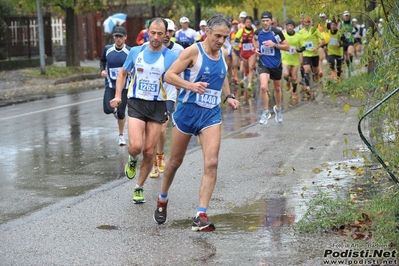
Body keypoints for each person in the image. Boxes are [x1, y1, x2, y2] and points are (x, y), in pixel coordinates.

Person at [153, 14, 240, 231]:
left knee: (212, 162)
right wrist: (190, 86)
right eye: (217, 35)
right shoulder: (193, 51)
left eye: (224, 36)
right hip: (187, 113)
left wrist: (228, 96)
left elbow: (223, 76)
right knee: (175, 161)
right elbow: (169, 75)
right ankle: (162, 198)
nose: (221, 40)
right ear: (207, 32)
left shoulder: (224, 53)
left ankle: (200, 214)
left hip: (210, 115)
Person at [110, 18, 178, 204]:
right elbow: (123, 73)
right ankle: (132, 159)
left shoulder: (171, 57)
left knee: (149, 151)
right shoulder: (135, 52)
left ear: (166, 34)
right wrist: (118, 95)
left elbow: (179, 78)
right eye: (153, 33)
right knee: (136, 147)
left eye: (160, 34)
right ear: (147, 31)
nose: (155, 37)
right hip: (137, 102)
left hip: (158, 106)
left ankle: (139, 186)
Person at [149, 19, 184, 178]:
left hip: (169, 93)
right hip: (152, 94)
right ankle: (155, 161)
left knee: (162, 128)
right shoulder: (150, 48)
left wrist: (181, 85)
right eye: (165, 32)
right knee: (152, 130)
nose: (167, 35)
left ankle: (160, 156)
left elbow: (184, 68)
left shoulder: (178, 50)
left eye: (170, 32)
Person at [253, 11, 289, 124]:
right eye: (263, 21)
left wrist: (275, 45)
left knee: (277, 88)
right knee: (263, 87)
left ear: (271, 21)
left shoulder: (277, 33)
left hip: (276, 64)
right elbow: (254, 40)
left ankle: (278, 108)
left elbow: (287, 47)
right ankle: (265, 111)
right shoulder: (258, 32)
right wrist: (256, 49)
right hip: (264, 62)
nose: (265, 23)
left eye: (267, 21)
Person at [100, 26, 131, 146]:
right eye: (116, 37)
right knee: (107, 109)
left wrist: (131, 70)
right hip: (110, 84)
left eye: (121, 37)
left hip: (124, 86)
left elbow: (134, 64)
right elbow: (102, 61)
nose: (118, 39)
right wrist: (102, 70)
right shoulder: (108, 49)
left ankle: (121, 135)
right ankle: (116, 112)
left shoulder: (129, 51)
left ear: (125, 38)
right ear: (113, 37)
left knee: (121, 113)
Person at [297, 15, 325, 96]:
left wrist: (317, 47)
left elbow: (323, 41)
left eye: (308, 22)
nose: (306, 23)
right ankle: (308, 87)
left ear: (310, 22)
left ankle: (316, 74)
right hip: (306, 54)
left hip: (315, 53)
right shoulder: (300, 32)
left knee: (315, 69)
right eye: (305, 22)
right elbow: (297, 42)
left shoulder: (315, 30)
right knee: (306, 69)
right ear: (303, 22)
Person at [281, 19, 303, 102]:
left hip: (295, 60)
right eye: (288, 26)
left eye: (291, 26)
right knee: (286, 74)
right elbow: (278, 43)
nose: (289, 27)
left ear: (293, 27)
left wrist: (297, 50)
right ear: (286, 27)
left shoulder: (298, 36)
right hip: (285, 59)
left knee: (294, 78)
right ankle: (287, 81)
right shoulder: (283, 35)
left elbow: (303, 47)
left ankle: (294, 92)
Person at [234, 16, 257, 94]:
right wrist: (242, 40)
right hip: (244, 52)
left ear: (251, 23)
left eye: (249, 22)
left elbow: (258, 39)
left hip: (252, 52)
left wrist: (256, 47)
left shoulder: (254, 31)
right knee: (246, 69)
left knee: (251, 67)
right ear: (245, 23)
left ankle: (250, 84)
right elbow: (235, 42)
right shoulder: (241, 30)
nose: (248, 23)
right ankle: (246, 78)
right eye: (247, 22)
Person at [340, 11, 355, 77]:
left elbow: (355, 30)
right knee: (346, 57)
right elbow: (339, 32)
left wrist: (352, 33)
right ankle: (349, 68)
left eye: (347, 16)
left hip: (350, 40)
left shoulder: (352, 23)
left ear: (349, 16)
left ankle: (351, 64)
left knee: (349, 53)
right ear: (343, 16)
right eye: (345, 16)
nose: (346, 17)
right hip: (344, 41)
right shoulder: (341, 24)